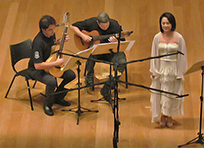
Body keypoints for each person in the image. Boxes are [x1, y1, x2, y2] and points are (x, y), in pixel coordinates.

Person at [70, 12, 126, 104]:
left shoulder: (115, 25)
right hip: (97, 51)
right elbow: (73, 26)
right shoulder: (91, 22)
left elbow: (123, 41)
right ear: (98, 22)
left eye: (107, 26)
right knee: (91, 54)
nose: (105, 28)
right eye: (103, 27)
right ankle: (89, 77)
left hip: (110, 51)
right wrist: (83, 35)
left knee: (122, 61)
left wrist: (116, 40)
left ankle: (107, 87)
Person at [28, 15, 76, 116]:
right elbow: (37, 65)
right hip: (36, 70)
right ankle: (48, 104)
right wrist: (56, 63)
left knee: (71, 75)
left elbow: (52, 45)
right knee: (51, 81)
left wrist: (60, 41)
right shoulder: (38, 43)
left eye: (53, 29)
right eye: (50, 30)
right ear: (43, 29)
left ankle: (57, 97)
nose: (53, 32)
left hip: (49, 64)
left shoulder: (50, 35)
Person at [150, 12, 188, 128]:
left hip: (173, 69)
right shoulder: (157, 37)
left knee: (171, 93)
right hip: (161, 69)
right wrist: (154, 70)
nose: (165, 25)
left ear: (172, 24)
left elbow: (183, 55)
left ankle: (169, 114)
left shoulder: (179, 37)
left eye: (167, 23)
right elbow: (154, 54)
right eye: (163, 23)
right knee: (161, 92)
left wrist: (180, 72)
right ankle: (162, 114)